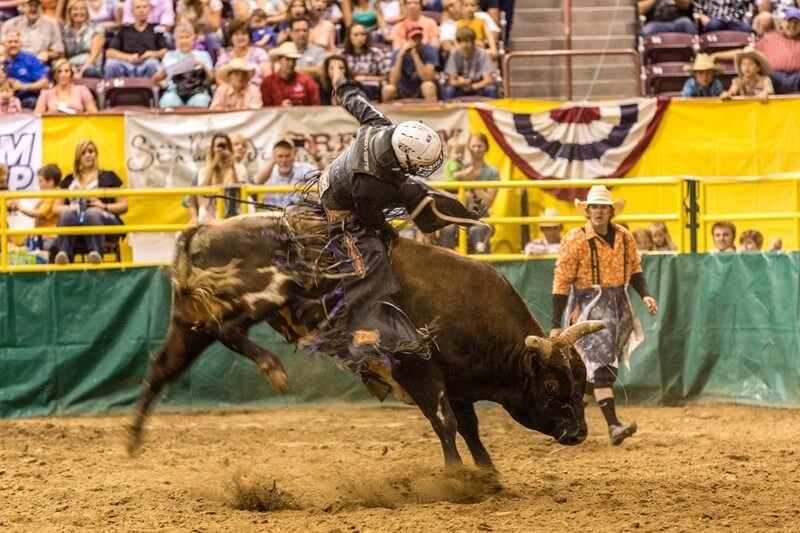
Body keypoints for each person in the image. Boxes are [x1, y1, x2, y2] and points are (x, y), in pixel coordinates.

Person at [316, 61, 482, 363]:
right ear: (403, 155)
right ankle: (363, 336)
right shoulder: (370, 184)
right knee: (369, 258)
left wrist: (341, 82)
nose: (423, 168)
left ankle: (462, 216)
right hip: (340, 206)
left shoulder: (380, 126)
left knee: (419, 192)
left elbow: (354, 100)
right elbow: (369, 219)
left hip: (351, 180)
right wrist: (390, 233)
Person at [551, 185, 658, 446]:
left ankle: (571, 422)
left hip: (618, 306)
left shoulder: (624, 237)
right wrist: (555, 324)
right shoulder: (575, 240)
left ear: (611, 211)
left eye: (603, 207)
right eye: (594, 207)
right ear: (587, 211)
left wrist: (644, 294)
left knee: (593, 371)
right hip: (589, 306)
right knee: (601, 365)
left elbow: (635, 269)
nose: (598, 211)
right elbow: (562, 282)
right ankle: (612, 425)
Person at [53, 140, 127, 264]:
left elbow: (124, 206)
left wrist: (103, 206)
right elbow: (55, 208)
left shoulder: (109, 177)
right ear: (78, 157)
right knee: (67, 214)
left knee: (92, 213)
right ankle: (64, 254)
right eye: (83, 153)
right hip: (76, 223)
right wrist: (72, 207)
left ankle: (96, 254)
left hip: (105, 222)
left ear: (96, 154)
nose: (88, 155)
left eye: (91, 151)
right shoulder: (68, 180)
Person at [712, 7, 800, 95]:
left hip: (798, 77)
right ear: (782, 23)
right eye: (789, 21)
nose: (792, 25)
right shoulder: (769, 38)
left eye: (796, 22)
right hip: (774, 77)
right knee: (762, 77)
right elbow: (746, 53)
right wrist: (717, 55)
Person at [438, 132, 497, 254]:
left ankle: (483, 270)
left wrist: (470, 180)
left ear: (486, 147)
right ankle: (446, 268)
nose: (476, 149)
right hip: (459, 214)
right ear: (468, 148)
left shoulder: (492, 172)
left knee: (478, 230)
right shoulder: (459, 165)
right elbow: (448, 189)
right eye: (473, 146)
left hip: (481, 216)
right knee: (447, 229)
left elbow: (488, 201)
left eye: (479, 146)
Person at [189, 133, 248, 224]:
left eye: (225, 146)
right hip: (209, 219)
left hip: (232, 217)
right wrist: (213, 165)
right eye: (219, 146)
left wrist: (232, 166)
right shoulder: (203, 171)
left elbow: (239, 194)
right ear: (212, 149)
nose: (222, 150)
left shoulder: (240, 169)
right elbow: (201, 193)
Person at [153, 23, 214, 108]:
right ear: (175, 41)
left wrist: (203, 66)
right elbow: (158, 80)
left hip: (197, 90)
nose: (184, 41)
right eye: (180, 38)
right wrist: (158, 77)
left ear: (193, 39)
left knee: (200, 100)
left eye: (187, 37)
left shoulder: (203, 55)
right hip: (174, 90)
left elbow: (211, 78)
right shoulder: (169, 55)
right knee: (168, 100)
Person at [104, 0, 168, 78]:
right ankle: (113, 89)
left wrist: (152, 54)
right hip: (126, 64)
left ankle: (150, 89)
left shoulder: (157, 29)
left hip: (147, 64)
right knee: (111, 64)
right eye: (138, 7)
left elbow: (165, 52)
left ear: (150, 9)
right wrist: (128, 57)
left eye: (144, 7)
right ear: (132, 11)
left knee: (153, 64)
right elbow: (110, 52)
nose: (141, 10)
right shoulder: (124, 29)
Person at [6, 164, 62, 253]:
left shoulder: (53, 195)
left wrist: (20, 207)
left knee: (25, 248)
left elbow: (40, 214)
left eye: (41, 181)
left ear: (50, 182)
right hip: (39, 234)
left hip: (49, 236)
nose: (39, 184)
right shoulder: (45, 196)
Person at [254, 136, 320, 208]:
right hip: (273, 216)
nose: (284, 160)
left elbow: (325, 179)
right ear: (274, 157)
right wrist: (273, 160)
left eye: (287, 156)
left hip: (300, 216)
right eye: (280, 156)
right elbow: (258, 182)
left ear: (294, 155)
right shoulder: (268, 173)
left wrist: (317, 156)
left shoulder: (306, 170)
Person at [382, 25, 439, 102]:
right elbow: (393, 81)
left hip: (420, 89)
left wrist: (415, 56)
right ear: (406, 39)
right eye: (413, 38)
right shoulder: (397, 53)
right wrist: (400, 56)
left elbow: (427, 78)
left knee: (429, 86)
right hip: (402, 89)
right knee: (388, 89)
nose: (416, 41)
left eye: (419, 37)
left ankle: (433, 113)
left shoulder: (430, 51)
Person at [336, 23, 391, 101]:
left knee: (389, 89)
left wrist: (366, 78)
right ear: (349, 37)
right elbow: (337, 75)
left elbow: (385, 77)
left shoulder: (376, 53)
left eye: (363, 34)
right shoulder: (341, 53)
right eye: (356, 35)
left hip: (373, 87)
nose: (360, 38)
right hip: (350, 86)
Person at [442, 26, 498, 100]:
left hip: (478, 86)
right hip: (460, 87)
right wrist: (460, 82)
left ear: (473, 42)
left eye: (467, 41)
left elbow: (488, 80)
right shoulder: (454, 54)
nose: (464, 45)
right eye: (461, 42)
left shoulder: (482, 54)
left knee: (491, 89)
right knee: (448, 91)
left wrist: (474, 86)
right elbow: (451, 81)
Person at [260, 41, 320, 106]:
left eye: (294, 60)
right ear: (279, 60)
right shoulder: (268, 83)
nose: (291, 64)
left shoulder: (307, 82)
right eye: (287, 59)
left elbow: (315, 106)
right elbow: (264, 109)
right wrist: (279, 107)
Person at [215, 19, 273, 87]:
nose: (240, 37)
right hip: (232, 93)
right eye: (236, 34)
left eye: (244, 34)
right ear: (231, 38)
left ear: (249, 37)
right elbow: (219, 79)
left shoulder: (259, 53)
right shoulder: (224, 57)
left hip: (257, 91)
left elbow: (268, 77)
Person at [1, 30, 50, 108]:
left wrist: (23, 86)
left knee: (32, 101)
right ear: (3, 44)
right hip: (3, 99)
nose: (13, 44)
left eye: (16, 42)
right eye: (10, 42)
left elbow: (45, 83)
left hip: (26, 98)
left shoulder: (30, 59)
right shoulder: (2, 61)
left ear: (21, 44)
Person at [34, 58, 99, 113]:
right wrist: (51, 113)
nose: (63, 75)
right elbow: (36, 117)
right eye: (59, 71)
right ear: (54, 75)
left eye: (66, 71)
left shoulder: (82, 90)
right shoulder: (46, 93)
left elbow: (94, 114)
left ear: (71, 74)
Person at [61, 0, 104, 79]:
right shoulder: (65, 32)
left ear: (86, 12)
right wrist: (72, 69)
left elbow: (94, 56)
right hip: (70, 67)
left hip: (90, 66)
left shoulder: (96, 29)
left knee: (90, 73)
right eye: (75, 9)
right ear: (69, 12)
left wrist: (81, 71)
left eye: (82, 9)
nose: (79, 12)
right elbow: (63, 56)